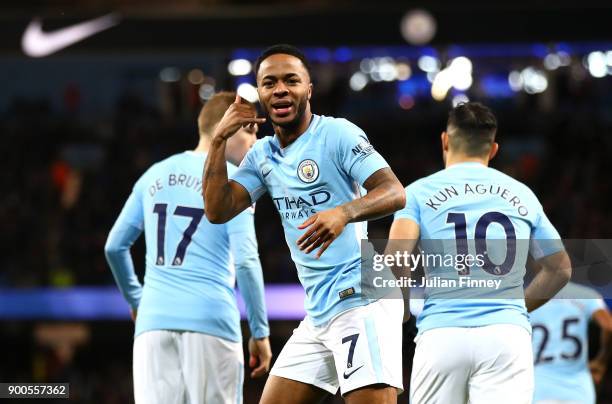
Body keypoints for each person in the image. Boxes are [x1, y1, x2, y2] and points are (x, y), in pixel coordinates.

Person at [202, 44, 406, 404]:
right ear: (261, 94)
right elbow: (218, 209)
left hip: (361, 297)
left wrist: (344, 212)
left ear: (308, 89)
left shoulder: (337, 134)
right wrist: (218, 140)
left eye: (290, 80)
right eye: (269, 83)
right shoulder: (262, 155)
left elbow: (393, 191)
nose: (279, 89)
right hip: (319, 310)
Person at [388, 102, 571, 404]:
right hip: (505, 338)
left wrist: (404, 313)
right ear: (494, 149)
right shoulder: (522, 194)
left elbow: (396, 258)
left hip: (441, 334)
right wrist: (515, 307)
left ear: (445, 141)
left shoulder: (417, 193)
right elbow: (560, 268)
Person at [104, 91, 272, 404]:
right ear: (228, 126)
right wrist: (260, 332)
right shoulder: (233, 183)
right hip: (211, 324)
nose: (255, 140)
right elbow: (247, 261)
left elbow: (115, 247)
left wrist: (137, 300)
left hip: (152, 328)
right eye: (249, 129)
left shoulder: (153, 174)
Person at [530, 282, 612, 404]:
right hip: (578, 391)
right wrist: (600, 363)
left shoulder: (523, 299)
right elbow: (608, 327)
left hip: (539, 390)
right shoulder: (586, 295)